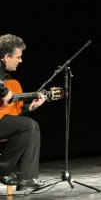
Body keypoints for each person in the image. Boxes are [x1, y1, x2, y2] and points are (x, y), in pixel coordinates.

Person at [0, 34, 46, 190]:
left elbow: (9, 111)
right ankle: (2, 170)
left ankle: (27, 178)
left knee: (31, 127)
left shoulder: (7, 78)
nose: (21, 60)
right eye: (18, 57)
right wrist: (3, 91)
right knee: (28, 126)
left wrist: (29, 108)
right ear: (6, 57)